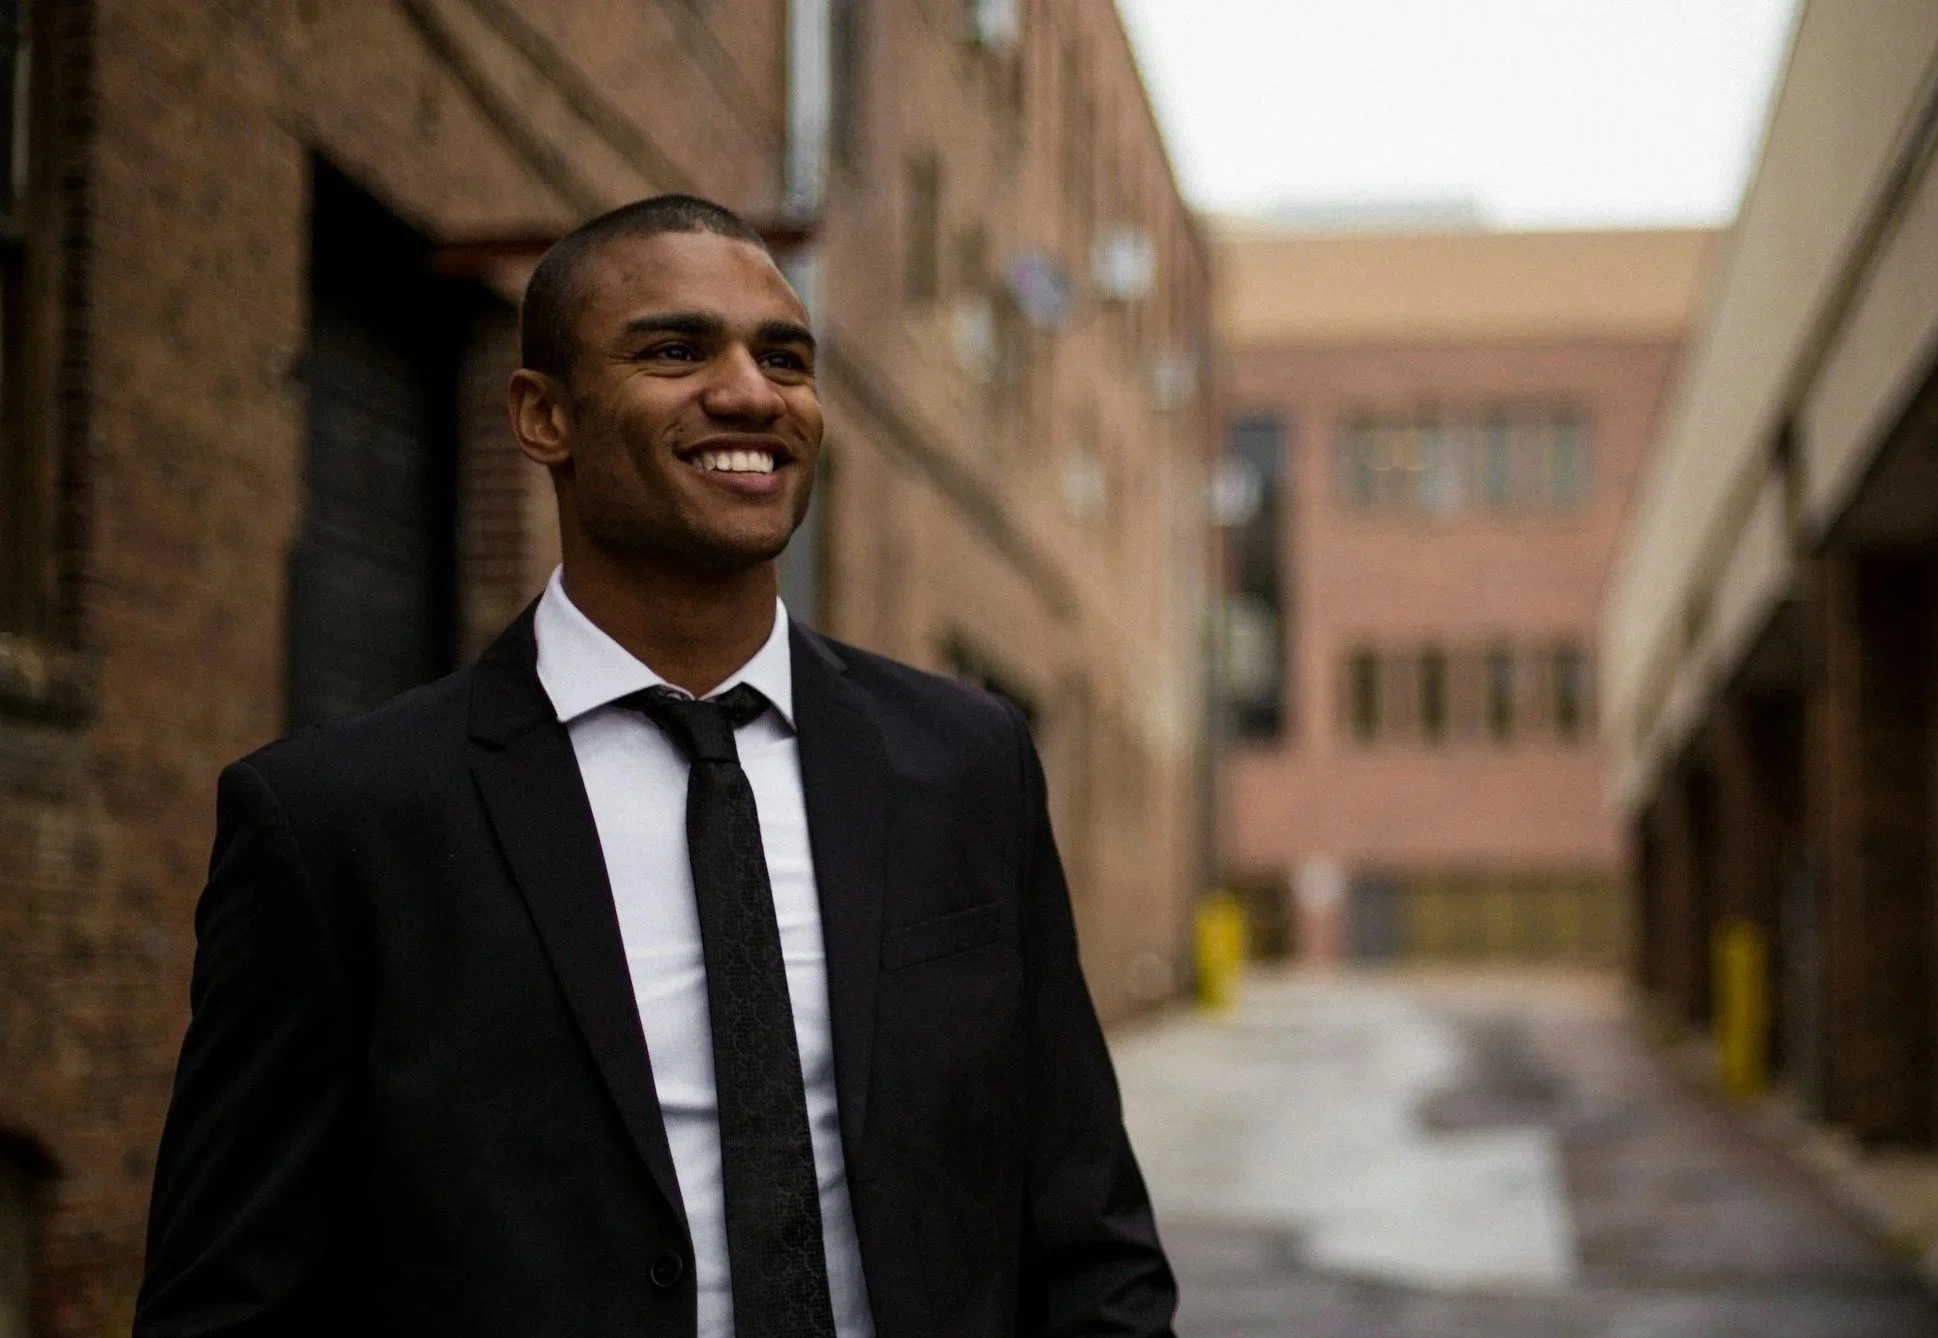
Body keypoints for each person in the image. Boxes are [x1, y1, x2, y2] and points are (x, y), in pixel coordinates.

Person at [134, 194, 1177, 1338]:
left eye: (785, 357)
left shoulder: (964, 766)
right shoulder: (339, 822)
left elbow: (1090, 1233)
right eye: (676, 349)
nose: (749, 392)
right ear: (543, 417)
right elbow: (230, 1299)